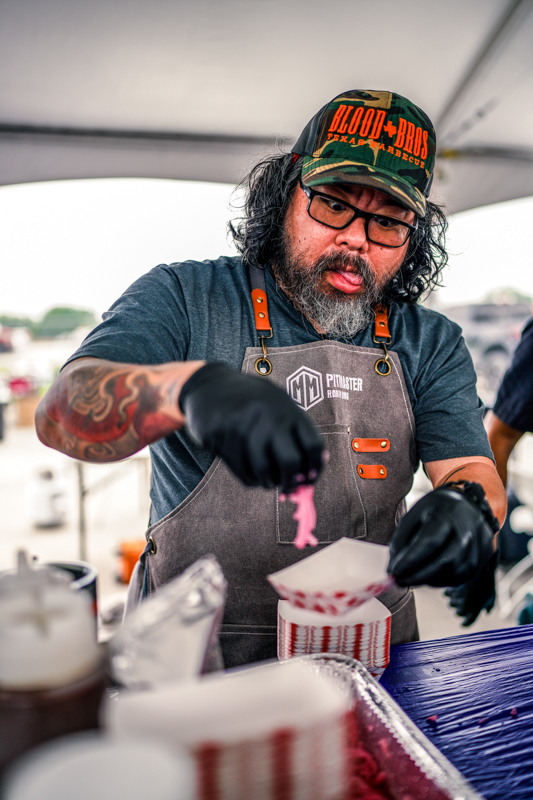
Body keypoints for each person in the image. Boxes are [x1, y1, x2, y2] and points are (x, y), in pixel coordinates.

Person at [35, 90, 506, 666]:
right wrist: (186, 391)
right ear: (285, 193)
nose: (357, 238)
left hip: (370, 663)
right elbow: (62, 411)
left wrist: (467, 505)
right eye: (334, 204)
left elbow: (470, 466)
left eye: (388, 221)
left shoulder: (429, 341)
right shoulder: (186, 298)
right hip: (195, 662)